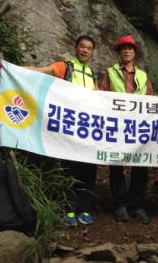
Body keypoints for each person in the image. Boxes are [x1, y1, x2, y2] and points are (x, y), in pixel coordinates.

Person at [25, 35, 98, 227]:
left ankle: (85, 208)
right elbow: (40, 72)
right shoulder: (65, 67)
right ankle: (69, 209)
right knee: (69, 170)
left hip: (87, 130)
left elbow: (100, 101)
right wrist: (12, 69)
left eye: (88, 48)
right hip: (67, 130)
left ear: (92, 52)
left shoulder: (93, 74)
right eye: (81, 46)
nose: (84, 50)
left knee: (89, 170)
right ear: (76, 48)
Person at [100, 35, 153, 224]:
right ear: (119, 52)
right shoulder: (110, 72)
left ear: (135, 51)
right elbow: (102, 96)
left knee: (140, 165)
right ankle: (120, 205)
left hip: (138, 126)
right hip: (117, 125)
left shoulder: (142, 75)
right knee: (116, 164)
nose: (126, 51)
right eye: (123, 48)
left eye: (130, 48)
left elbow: (150, 99)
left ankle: (137, 206)